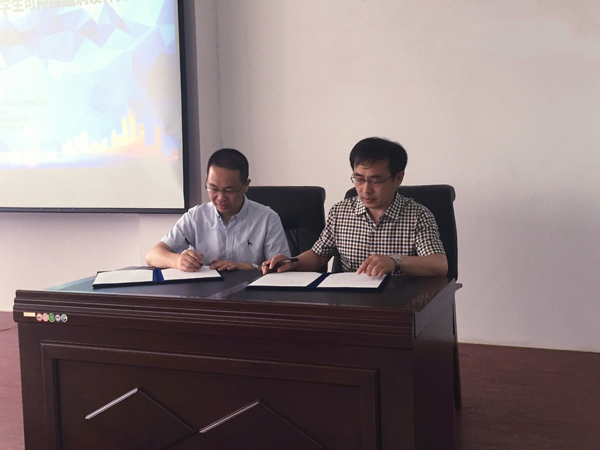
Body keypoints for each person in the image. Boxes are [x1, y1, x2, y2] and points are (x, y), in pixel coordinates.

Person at [263, 137, 448, 277]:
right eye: (359, 179)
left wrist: (395, 260)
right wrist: (291, 263)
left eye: (376, 181)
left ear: (398, 178)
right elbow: (318, 255)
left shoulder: (418, 215)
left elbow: (439, 264)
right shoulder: (340, 212)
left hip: (400, 303)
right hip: (352, 304)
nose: (365, 190)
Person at [146, 148, 290, 272]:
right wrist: (177, 261)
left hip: (252, 293)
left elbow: (281, 268)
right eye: (213, 188)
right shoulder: (196, 216)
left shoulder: (267, 219)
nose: (220, 198)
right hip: (206, 294)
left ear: (246, 185)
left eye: (229, 190)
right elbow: (153, 255)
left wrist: (248, 267)